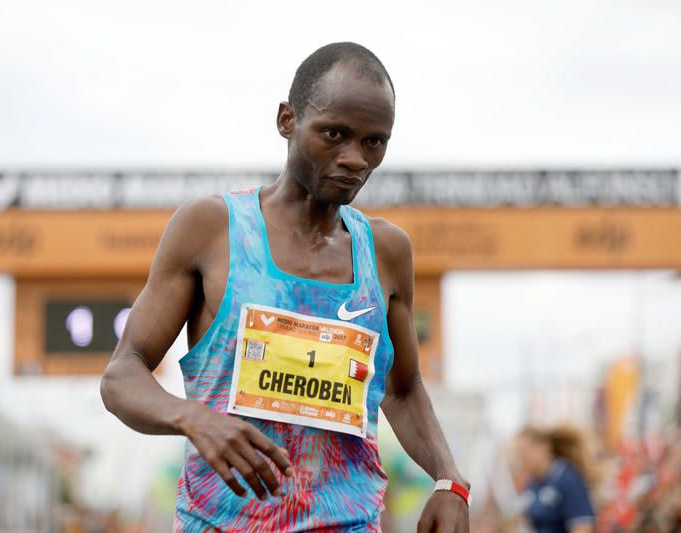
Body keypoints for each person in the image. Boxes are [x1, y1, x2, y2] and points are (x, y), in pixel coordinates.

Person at [101, 42, 470, 532]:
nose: (355, 158)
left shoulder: (385, 252)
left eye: (374, 142)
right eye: (334, 134)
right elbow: (122, 375)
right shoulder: (212, 229)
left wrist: (449, 479)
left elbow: (401, 391)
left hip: (349, 523)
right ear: (287, 121)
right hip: (222, 522)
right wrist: (192, 418)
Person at [514, 426, 597, 533]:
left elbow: (582, 527)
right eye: (519, 454)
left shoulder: (567, 479)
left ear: (543, 447)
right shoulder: (531, 484)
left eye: (524, 452)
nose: (521, 458)